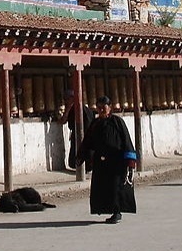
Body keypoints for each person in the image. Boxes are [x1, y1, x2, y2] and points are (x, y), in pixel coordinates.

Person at [77, 95, 137, 224]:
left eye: (103, 107)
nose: (101, 110)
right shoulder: (95, 123)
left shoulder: (117, 122)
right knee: (104, 187)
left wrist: (130, 162)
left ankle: (117, 212)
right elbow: (88, 141)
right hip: (101, 162)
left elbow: (126, 141)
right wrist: (81, 156)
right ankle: (107, 209)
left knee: (116, 187)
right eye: (98, 108)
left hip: (116, 161)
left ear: (109, 108)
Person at [58, 88, 94, 171]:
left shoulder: (82, 109)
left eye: (67, 99)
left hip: (84, 134)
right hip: (77, 133)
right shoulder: (73, 109)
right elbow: (63, 121)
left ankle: (86, 168)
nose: (66, 101)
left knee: (84, 152)